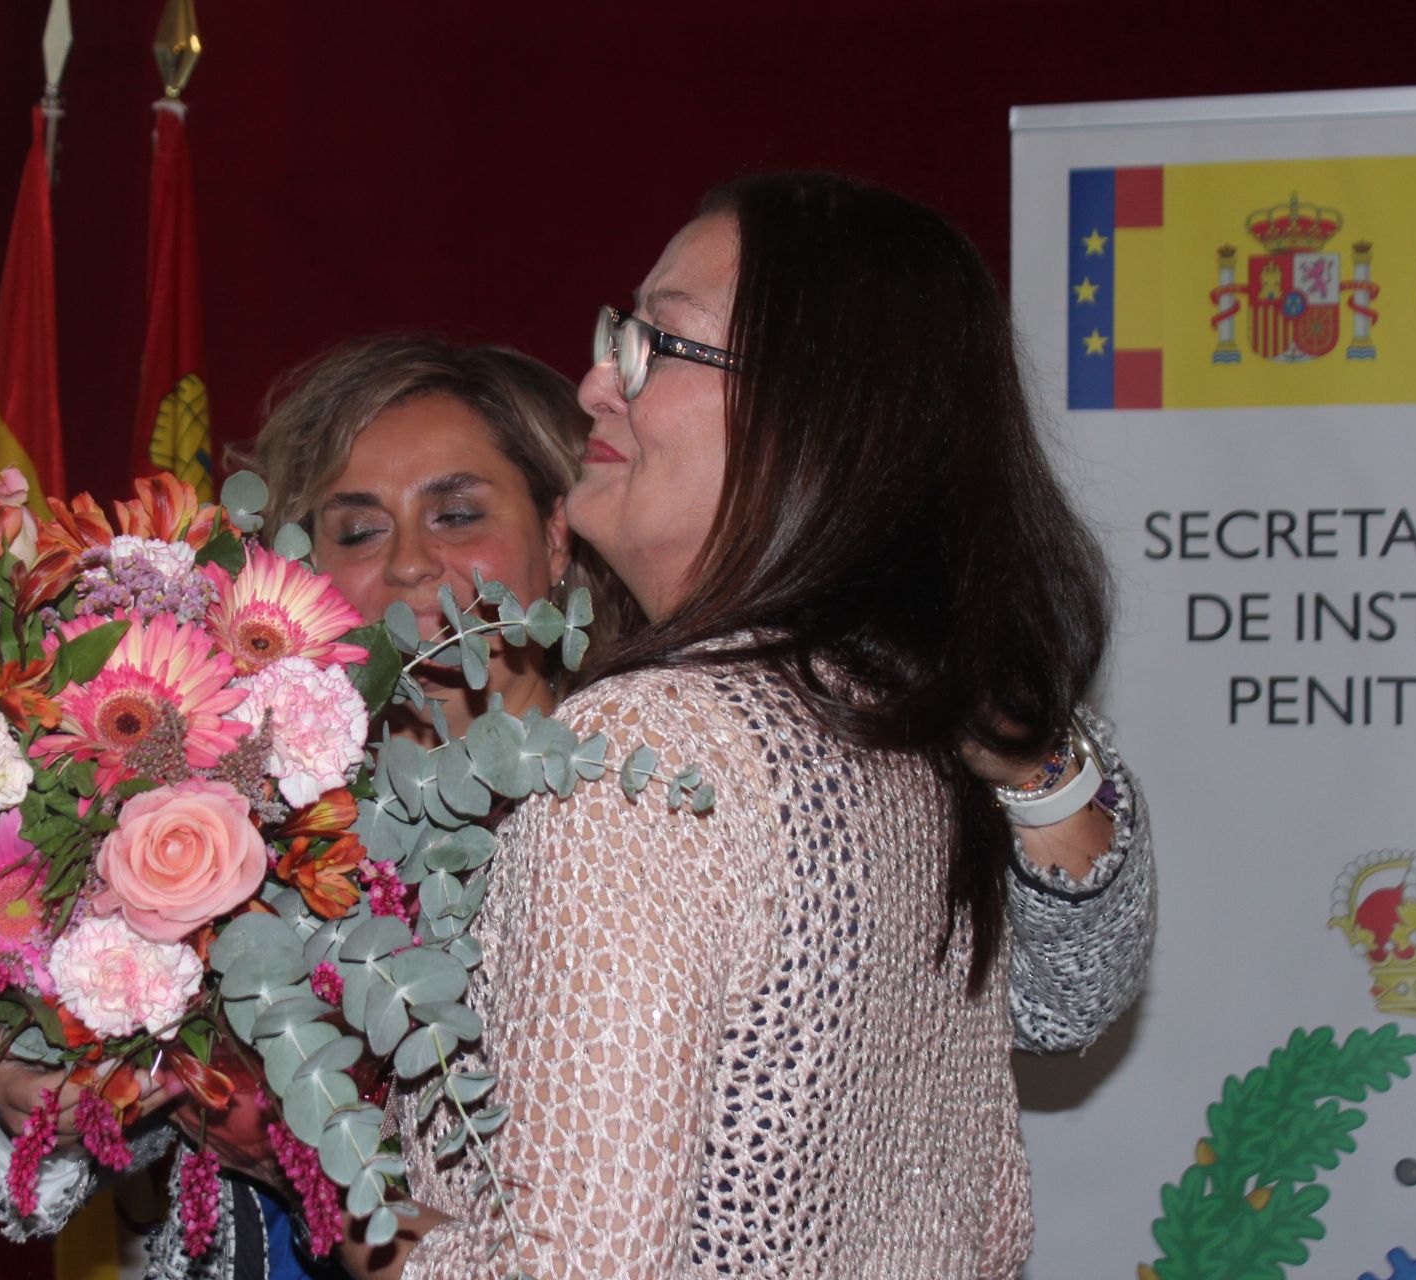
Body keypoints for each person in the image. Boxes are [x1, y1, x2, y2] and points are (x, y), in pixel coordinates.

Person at [0, 303, 1152, 1275]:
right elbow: (31, 1192)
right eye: (354, 526)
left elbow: (1064, 1002)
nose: (410, 563)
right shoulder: (207, 810)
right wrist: (34, 1086)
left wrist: (1042, 767)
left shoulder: (670, 769)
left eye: (457, 510)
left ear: (558, 536)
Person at [327, 174, 1147, 1279]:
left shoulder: (640, 755)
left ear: (814, 411)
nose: (593, 387)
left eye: (658, 345)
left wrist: (364, 1221)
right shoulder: (875, 718)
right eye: (620, 334)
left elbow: (572, 1267)